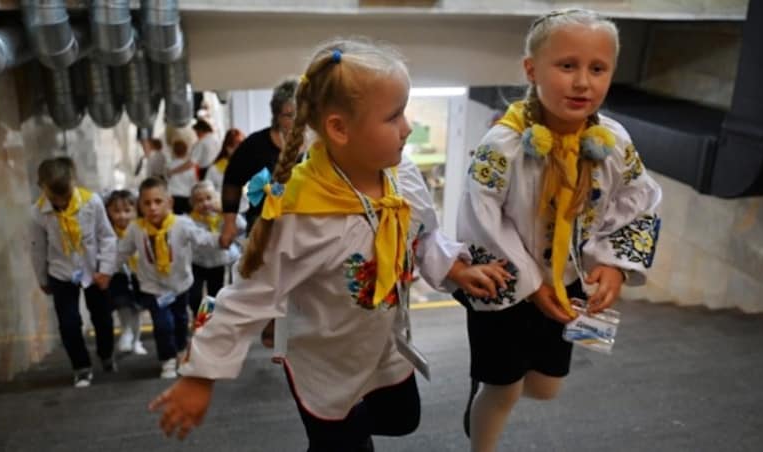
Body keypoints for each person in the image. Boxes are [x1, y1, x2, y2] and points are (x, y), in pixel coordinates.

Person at [149, 39, 510, 449]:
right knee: (342, 441)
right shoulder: (303, 215)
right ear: (339, 128)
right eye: (394, 117)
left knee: (403, 419)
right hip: (325, 364)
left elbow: (421, 234)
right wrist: (200, 375)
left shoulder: (400, 175)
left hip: (380, 347)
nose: (408, 127)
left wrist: (456, 268)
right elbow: (247, 296)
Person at [454, 9, 663, 451]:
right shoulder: (503, 146)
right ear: (532, 69)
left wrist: (614, 266)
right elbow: (480, 220)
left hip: (570, 284)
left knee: (547, 388)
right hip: (507, 288)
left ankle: (491, 384)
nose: (583, 82)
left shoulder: (614, 140)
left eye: (597, 68)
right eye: (567, 66)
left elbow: (639, 201)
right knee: (503, 389)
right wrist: (530, 285)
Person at [116, 177, 222, 379]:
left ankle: (181, 350)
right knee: (163, 324)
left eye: (158, 202)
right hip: (153, 287)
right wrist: (105, 271)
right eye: (147, 203)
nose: (153, 208)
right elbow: (121, 252)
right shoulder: (136, 229)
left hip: (180, 284)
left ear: (169, 202)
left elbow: (203, 239)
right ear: (140, 206)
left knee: (181, 320)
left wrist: (223, 239)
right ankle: (167, 360)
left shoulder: (182, 224)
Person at [29, 157, 117, 388]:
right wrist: (42, 278)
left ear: (73, 183)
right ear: (42, 188)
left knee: (103, 318)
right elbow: (37, 247)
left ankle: (106, 353)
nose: (60, 202)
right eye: (54, 197)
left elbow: (106, 237)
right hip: (60, 273)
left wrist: (106, 270)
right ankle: (81, 367)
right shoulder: (38, 213)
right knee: (68, 323)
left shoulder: (92, 202)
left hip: (93, 270)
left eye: (65, 196)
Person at [219, 79, 298, 244]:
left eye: (300, 114)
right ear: (277, 115)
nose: (296, 121)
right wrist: (229, 223)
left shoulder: (317, 145)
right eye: (289, 115)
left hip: (304, 225)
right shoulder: (255, 145)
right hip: (263, 225)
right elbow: (232, 179)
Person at [187, 181, 246, 317]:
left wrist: (225, 212)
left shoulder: (224, 217)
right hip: (197, 263)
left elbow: (242, 226)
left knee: (215, 295)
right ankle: (198, 316)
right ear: (193, 204)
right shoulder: (190, 221)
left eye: (209, 198)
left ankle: (207, 320)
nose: (205, 203)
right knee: (194, 297)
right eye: (199, 201)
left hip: (217, 263)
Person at [105, 189, 147, 355]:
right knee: (123, 304)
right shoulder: (108, 232)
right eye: (116, 211)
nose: (122, 216)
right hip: (119, 275)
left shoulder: (141, 229)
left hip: (139, 275)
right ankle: (126, 332)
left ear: (135, 211)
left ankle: (136, 340)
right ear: (108, 211)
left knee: (136, 310)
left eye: (127, 211)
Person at [166, 140, 198, 215]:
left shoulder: (168, 165)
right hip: (187, 196)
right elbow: (194, 183)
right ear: (186, 151)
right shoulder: (191, 167)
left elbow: (167, 179)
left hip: (173, 196)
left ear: (173, 151)